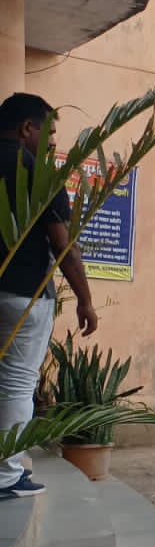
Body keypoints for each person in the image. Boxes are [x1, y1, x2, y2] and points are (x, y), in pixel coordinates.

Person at [0, 93, 97, 499]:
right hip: (23, 296)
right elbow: (63, 246)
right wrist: (85, 300)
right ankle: (6, 475)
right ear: (28, 128)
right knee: (17, 384)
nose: (53, 142)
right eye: (50, 132)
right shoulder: (38, 173)